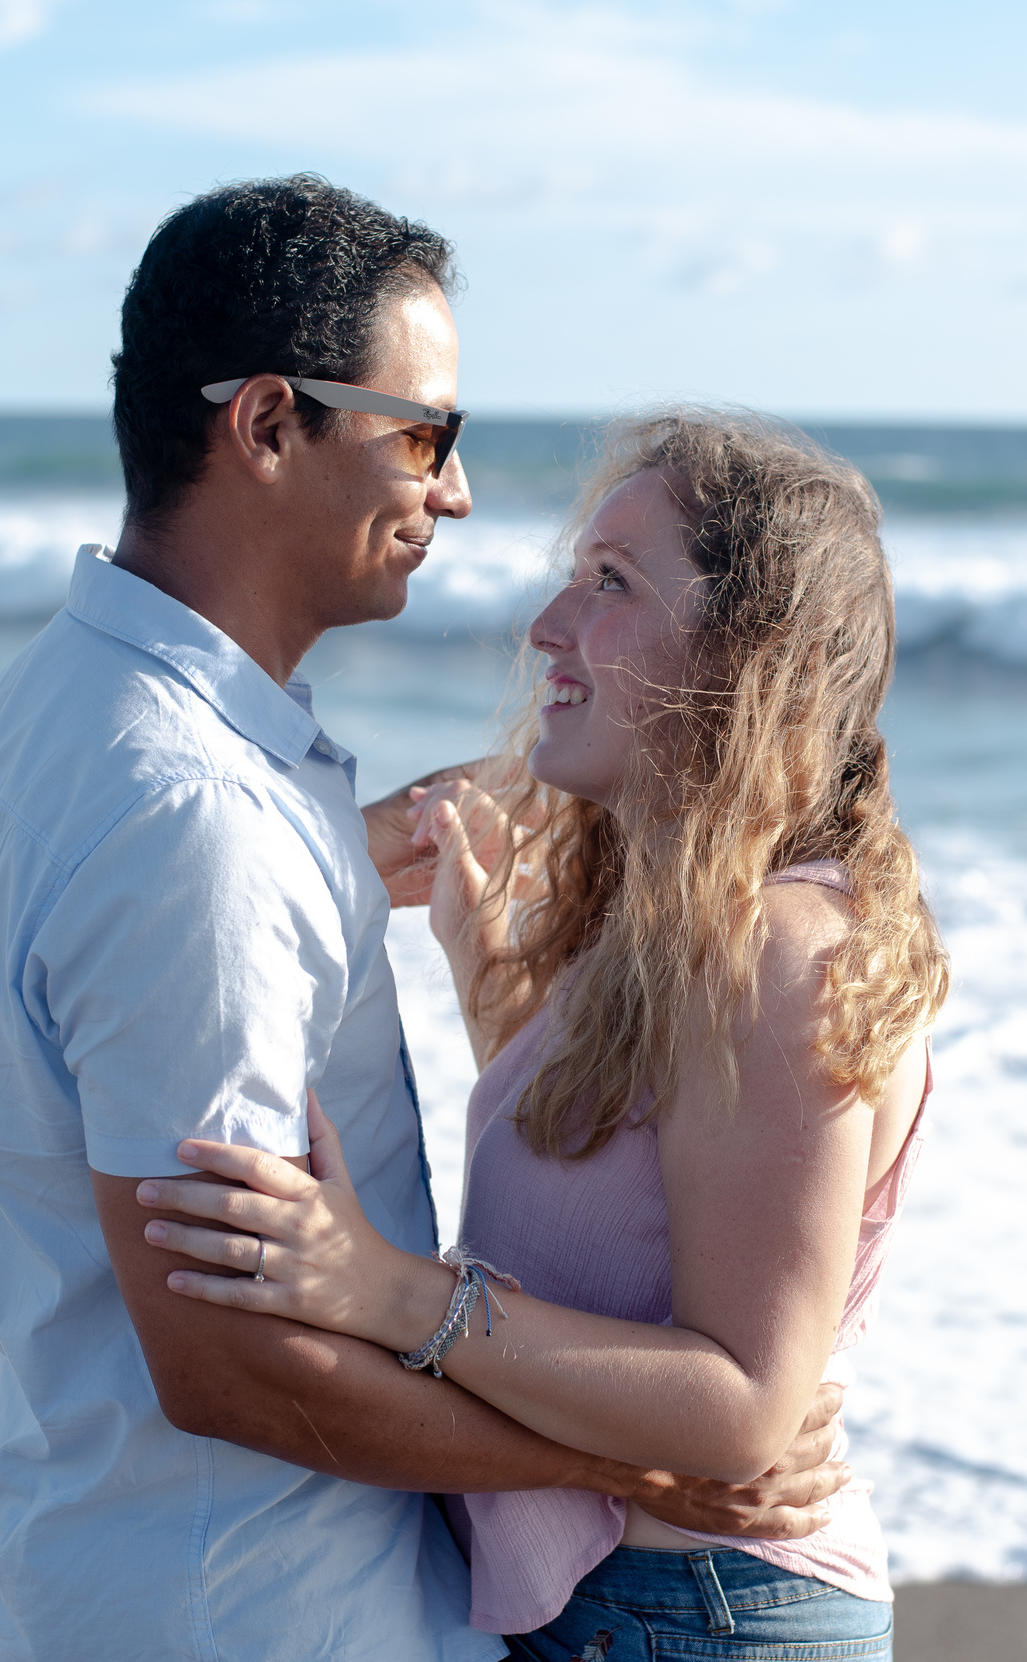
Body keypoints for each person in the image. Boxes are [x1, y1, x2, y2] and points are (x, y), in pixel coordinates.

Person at [0, 181, 851, 1662]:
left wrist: (334, 873)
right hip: (252, 1605)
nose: (454, 493)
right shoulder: (196, 819)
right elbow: (230, 1364)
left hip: (93, 1545)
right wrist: (638, 1469)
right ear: (268, 425)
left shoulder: (52, 711)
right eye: (423, 434)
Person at [135, 409, 950, 1659]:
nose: (547, 626)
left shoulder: (785, 947)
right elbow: (628, 1219)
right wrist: (500, 1004)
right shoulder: (673, 927)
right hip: (636, 1612)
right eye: (575, 574)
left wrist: (386, 1287)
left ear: (743, 654)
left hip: (701, 1616)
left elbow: (740, 1405)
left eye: (610, 582)